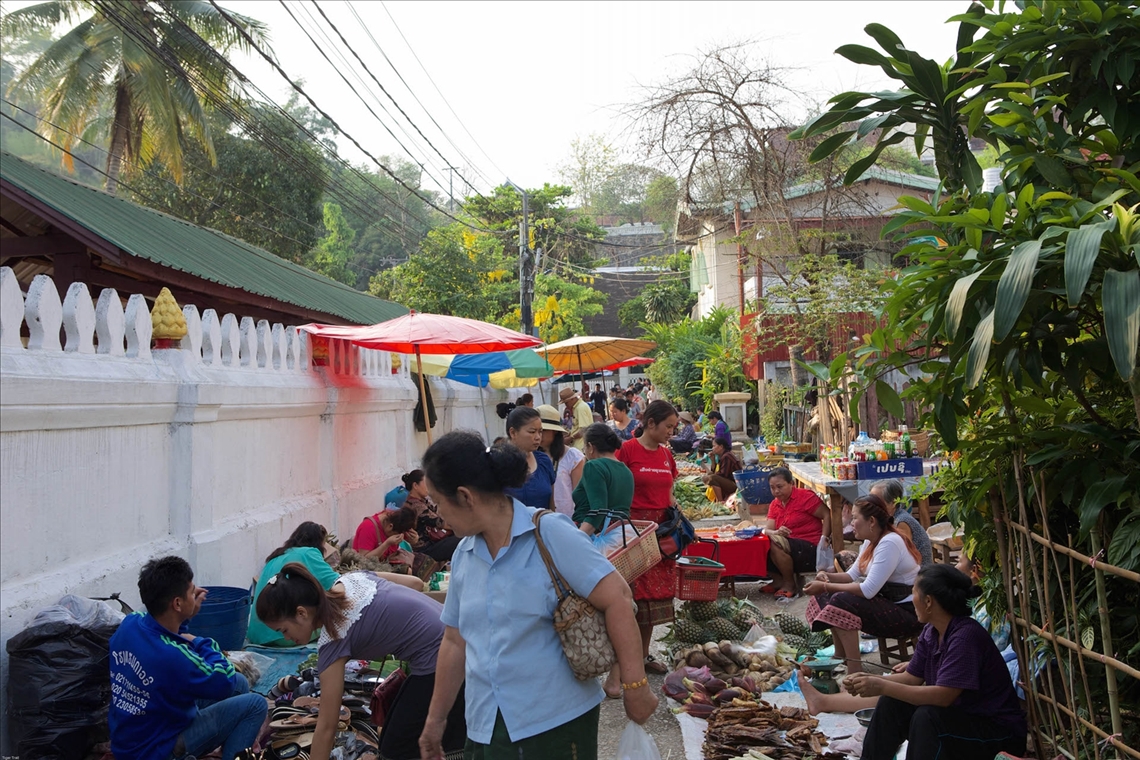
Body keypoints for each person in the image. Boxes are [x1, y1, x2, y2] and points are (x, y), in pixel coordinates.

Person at [415, 432, 657, 760]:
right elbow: (456, 640)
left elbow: (617, 597)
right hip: (485, 723)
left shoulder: (550, 533)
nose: (437, 513)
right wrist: (434, 720)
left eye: (438, 502)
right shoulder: (464, 555)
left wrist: (634, 684)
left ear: (465, 496)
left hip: (555, 723)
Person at [256, 563, 467, 760]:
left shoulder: (333, 639)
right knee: (392, 732)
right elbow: (416, 583)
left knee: (396, 749)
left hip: (445, 658)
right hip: (460, 635)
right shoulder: (352, 581)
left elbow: (327, 726)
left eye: (283, 630)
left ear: (301, 613)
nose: (285, 638)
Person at [845, 564, 1027, 760]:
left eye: (913, 592)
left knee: (927, 717)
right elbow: (911, 678)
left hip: (998, 734)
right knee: (891, 702)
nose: (912, 599)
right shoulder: (932, 632)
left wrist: (881, 685)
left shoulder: (965, 637)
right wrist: (868, 680)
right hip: (962, 720)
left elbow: (943, 697)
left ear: (929, 601)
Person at [109, 556, 266, 760]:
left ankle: (230, 748)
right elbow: (223, 678)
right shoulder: (172, 656)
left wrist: (185, 616)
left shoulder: (131, 623)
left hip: (131, 737)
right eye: (192, 592)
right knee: (256, 704)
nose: (197, 594)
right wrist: (201, 641)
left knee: (240, 684)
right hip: (157, 749)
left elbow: (170, 633)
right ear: (177, 603)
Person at [803, 494, 923, 674]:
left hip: (908, 612)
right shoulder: (870, 541)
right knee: (826, 595)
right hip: (888, 603)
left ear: (871, 521)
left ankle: (854, 667)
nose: (851, 524)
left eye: (854, 518)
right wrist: (826, 576)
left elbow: (868, 590)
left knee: (842, 600)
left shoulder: (890, 542)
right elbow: (851, 575)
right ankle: (840, 655)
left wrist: (827, 585)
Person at [616, 399, 680, 675]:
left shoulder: (666, 455)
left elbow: (670, 492)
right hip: (633, 531)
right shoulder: (627, 451)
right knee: (631, 597)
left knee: (654, 599)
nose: (671, 433)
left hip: (661, 533)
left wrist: (679, 518)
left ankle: (643, 656)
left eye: (674, 427)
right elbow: (615, 486)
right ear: (650, 423)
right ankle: (624, 663)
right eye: (668, 426)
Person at [248, 522, 340, 647]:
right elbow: (340, 584)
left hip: (257, 635)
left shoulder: (276, 557)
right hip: (279, 637)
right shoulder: (308, 553)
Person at [762, 467, 831, 599]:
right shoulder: (775, 504)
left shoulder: (805, 497)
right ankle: (778, 580)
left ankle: (790, 584)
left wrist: (825, 539)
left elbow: (827, 514)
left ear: (791, 483)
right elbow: (768, 529)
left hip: (810, 547)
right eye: (772, 487)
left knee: (776, 543)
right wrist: (776, 531)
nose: (776, 491)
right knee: (762, 540)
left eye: (780, 486)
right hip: (789, 546)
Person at [573, 423, 635, 536]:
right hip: (620, 536)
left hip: (594, 536)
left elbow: (598, 512)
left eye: (584, 448)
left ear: (591, 447)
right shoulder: (626, 471)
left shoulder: (594, 466)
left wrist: (578, 538)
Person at [537, 404, 586, 517]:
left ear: (555, 432)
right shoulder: (531, 456)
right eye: (534, 431)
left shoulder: (573, 457)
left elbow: (579, 496)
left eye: (543, 431)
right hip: (539, 519)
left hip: (568, 520)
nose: (538, 436)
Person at [502, 405, 555, 509]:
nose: (538, 437)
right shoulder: (497, 463)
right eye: (532, 432)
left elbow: (551, 503)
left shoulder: (544, 461)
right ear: (513, 432)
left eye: (540, 431)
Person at [403, 469, 462, 562]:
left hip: (433, 542)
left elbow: (440, 514)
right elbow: (441, 523)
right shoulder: (415, 506)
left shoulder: (422, 501)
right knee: (463, 538)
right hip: (425, 550)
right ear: (415, 486)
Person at [870, 479, 933, 567]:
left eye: (877, 502)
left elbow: (903, 554)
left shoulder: (901, 522)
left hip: (919, 573)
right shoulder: (889, 519)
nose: (871, 505)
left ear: (893, 503)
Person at [701, 436, 742, 501]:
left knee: (712, 478)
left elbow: (722, 475)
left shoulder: (727, 456)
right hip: (730, 481)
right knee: (711, 477)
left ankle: (720, 502)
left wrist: (709, 476)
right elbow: (714, 472)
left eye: (714, 446)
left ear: (721, 447)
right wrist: (713, 460)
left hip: (737, 484)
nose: (712, 448)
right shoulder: (722, 456)